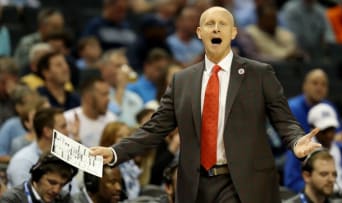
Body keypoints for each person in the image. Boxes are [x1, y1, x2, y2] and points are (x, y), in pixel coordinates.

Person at [90, 6, 321, 203]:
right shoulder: (182, 80)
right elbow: (154, 128)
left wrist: (295, 141)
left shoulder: (259, 74)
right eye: (210, 24)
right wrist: (114, 152)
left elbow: (284, 120)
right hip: (196, 184)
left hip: (243, 181)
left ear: (233, 32)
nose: (217, 28)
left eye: (223, 24)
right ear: (200, 33)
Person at [1, 152, 78, 203]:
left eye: (62, 185)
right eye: (52, 183)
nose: (56, 190)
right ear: (37, 176)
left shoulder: (64, 199)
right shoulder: (12, 199)